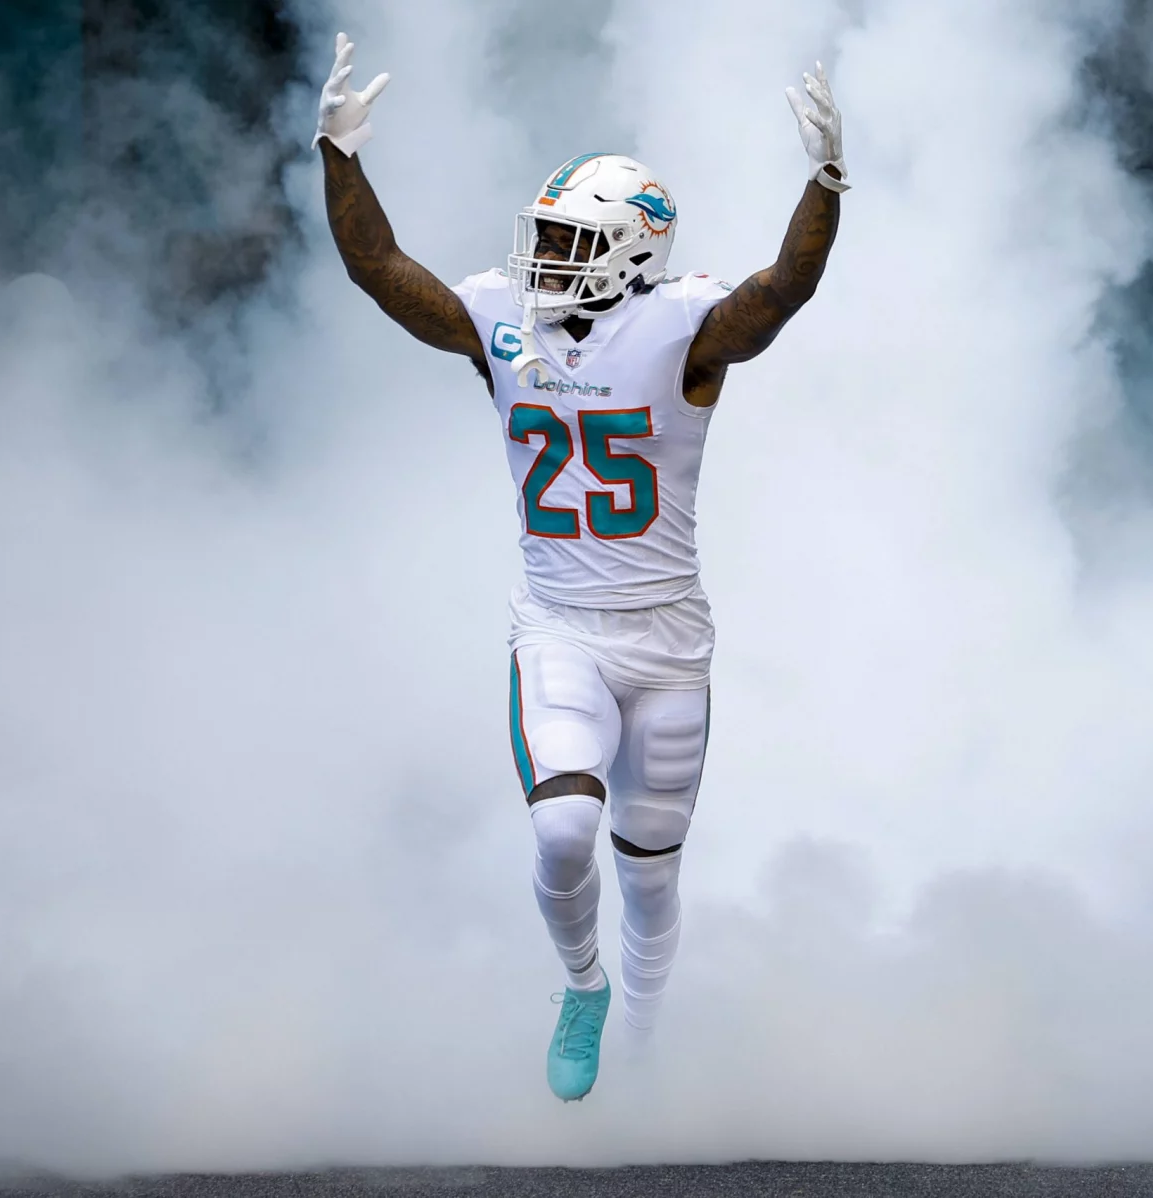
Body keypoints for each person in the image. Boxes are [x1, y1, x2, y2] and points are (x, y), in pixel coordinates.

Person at [314, 31, 845, 1102]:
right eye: (545, 234)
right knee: (563, 826)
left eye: (567, 238)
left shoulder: (684, 330)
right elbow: (379, 270)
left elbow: (784, 287)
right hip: (560, 627)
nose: (542, 255)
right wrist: (340, 157)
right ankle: (583, 986)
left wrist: (825, 183)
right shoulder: (504, 320)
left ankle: (646, 1054)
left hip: (668, 641)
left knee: (650, 873)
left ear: (631, 253)